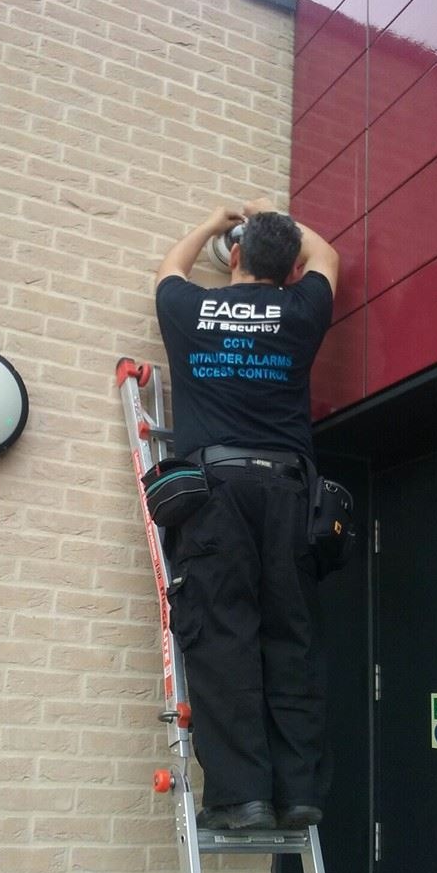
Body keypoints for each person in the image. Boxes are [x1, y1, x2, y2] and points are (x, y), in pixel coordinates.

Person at [155, 197, 339, 830]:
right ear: (292, 270)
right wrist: (273, 216)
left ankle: (242, 798)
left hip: (216, 493)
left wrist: (215, 219)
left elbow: (170, 269)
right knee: (292, 638)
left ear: (232, 256)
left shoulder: (190, 309)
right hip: (289, 493)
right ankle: (299, 793)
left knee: (222, 633)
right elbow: (328, 253)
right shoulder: (303, 308)